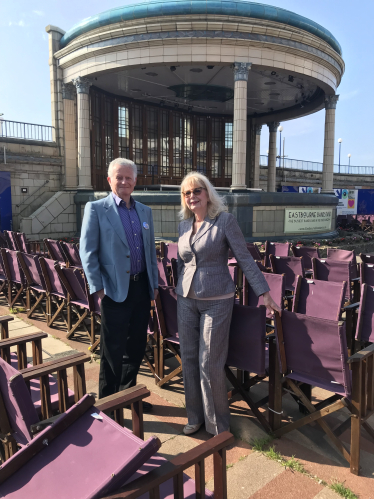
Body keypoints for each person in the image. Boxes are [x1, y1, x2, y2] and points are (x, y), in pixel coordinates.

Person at [176, 172, 281, 435]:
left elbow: (244, 259)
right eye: (186, 193)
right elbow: (183, 262)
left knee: (209, 362)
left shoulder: (224, 221)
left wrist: (265, 293)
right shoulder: (183, 225)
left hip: (216, 301)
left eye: (196, 191)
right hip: (186, 299)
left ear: (207, 193)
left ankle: (217, 425)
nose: (192, 197)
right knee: (188, 359)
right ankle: (194, 417)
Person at [80, 158, 158, 412]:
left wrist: (153, 285)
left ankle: (127, 394)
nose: (124, 181)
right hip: (113, 289)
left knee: (135, 345)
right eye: (119, 177)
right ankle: (107, 400)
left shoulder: (144, 211)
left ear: (135, 181)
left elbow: (149, 252)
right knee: (112, 348)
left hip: (140, 287)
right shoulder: (96, 209)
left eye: (129, 177)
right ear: (109, 180)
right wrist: (98, 288)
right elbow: (88, 252)